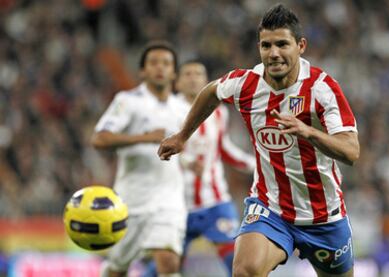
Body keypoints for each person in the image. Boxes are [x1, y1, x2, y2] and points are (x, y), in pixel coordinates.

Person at [158, 4, 360, 277]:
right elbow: (212, 92)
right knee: (245, 271)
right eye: (266, 45)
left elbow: (351, 151)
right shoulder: (246, 84)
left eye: (282, 44)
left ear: (301, 45)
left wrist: (309, 132)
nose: (274, 53)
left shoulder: (322, 89)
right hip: (270, 207)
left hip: (323, 216)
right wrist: (183, 136)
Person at [144, 61, 255, 277]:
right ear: (177, 81)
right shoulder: (165, 110)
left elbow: (224, 148)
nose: (193, 78)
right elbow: (152, 149)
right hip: (177, 205)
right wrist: (185, 162)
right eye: (188, 74)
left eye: (198, 74)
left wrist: (255, 163)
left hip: (215, 202)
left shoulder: (219, 112)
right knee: (165, 268)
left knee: (236, 259)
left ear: (206, 81)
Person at [92, 41, 187, 277]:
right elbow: (99, 139)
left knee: (169, 262)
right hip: (132, 201)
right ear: (142, 71)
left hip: (169, 200)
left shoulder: (182, 108)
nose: (160, 68)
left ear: (174, 72)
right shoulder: (128, 101)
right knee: (118, 269)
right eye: (153, 63)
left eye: (166, 64)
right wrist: (143, 138)